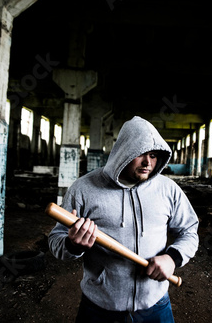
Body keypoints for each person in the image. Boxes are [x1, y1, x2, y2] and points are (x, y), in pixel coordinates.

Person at [48, 116, 199, 322]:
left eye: (153, 155)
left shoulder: (168, 189)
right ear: (124, 153)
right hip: (100, 307)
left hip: (155, 304)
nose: (148, 162)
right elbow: (56, 241)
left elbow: (189, 230)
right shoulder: (84, 189)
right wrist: (73, 244)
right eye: (140, 154)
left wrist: (172, 258)